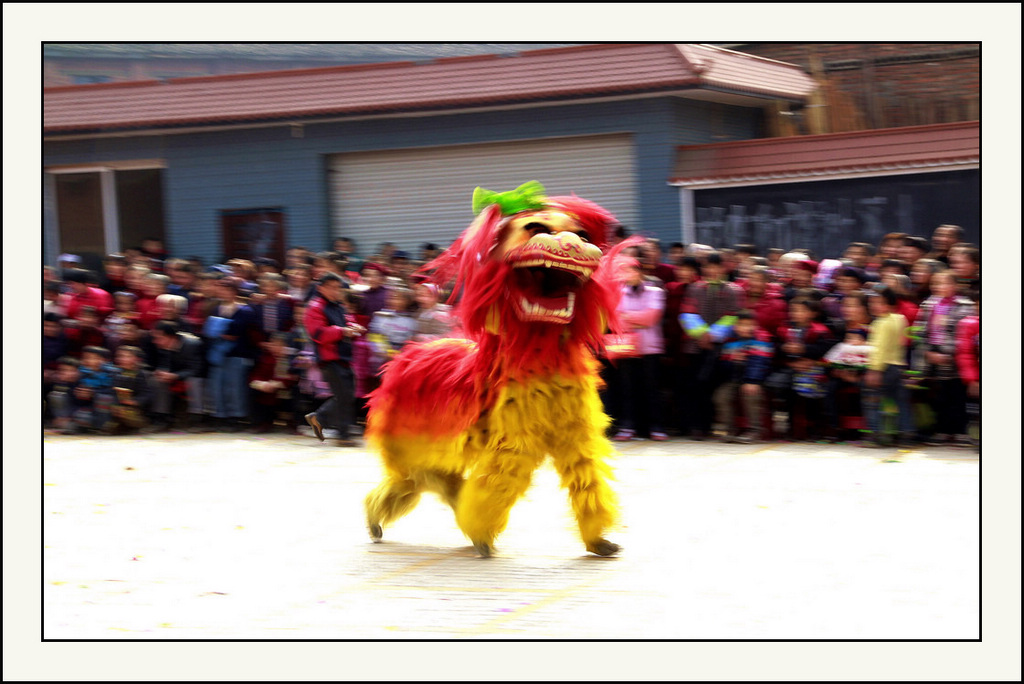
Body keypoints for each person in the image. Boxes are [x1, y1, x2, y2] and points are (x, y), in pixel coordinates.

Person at [679, 252, 743, 439]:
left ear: (724, 269)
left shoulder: (734, 290)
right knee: (695, 387)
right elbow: (686, 313)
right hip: (695, 346)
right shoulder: (695, 288)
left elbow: (733, 316)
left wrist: (713, 335)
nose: (712, 271)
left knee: (712, 388)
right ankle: (697, 427)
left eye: (716, 267)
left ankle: (710, 425)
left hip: (722, 349)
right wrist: (701, 334)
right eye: (708, 267)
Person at [911, 269, 974, 446]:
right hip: (932, 359)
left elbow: (964, 335)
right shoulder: (929, 305)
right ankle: (942, 430)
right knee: (939, 397)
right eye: (936, 283)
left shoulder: (964, 306)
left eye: (944, 283)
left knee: (957, 396)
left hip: (955, 360)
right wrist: (927, 352)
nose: (939, 287)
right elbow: (920, 332)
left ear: (955, 285)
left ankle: (960, 431)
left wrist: (947, 354)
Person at [303, 272, 365, 447]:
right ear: (320, 288)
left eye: (338, 287)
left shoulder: (338, 306)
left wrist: (353, 327)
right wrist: (342, 331)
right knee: (344, 396)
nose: (335, 291)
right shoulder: (315, 307)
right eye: (331, 287)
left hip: (343, 357)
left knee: (347, 396)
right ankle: (342, 435)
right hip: (329, 358)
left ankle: (320, 418)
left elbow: (347, 321)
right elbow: (318, 333)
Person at [612, 258, 667, 441]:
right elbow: (615, 318)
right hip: (626, 348)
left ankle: (656, 426)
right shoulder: (618, 293)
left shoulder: (655, 291)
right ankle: (627, 426)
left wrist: (629, 318)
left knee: (651, 388)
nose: (624, 275)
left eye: (628, 271)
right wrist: (637, 319)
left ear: (638, 271)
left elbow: (652, 317)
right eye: (621, 271)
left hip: (649, 348)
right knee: (627, 389)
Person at [862, 287, 914, 447]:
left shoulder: (880, 323)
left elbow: (879, 348)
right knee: (901, 402)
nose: (874, 306)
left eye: (879, 302)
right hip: (898, 366)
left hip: (883, 368)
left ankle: (877, 434)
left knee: (872, 400)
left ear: (890, 304)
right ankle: (907, 433)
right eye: (872, 302)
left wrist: (874, 370)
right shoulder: (900, 319)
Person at [711, 311, 773, 443]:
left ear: (755, 326)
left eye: (749, 325)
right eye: (742, 325)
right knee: (721, 396)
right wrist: (732, 361)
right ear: (735, 326)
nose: (746, 328)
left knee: (751, 394)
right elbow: (722, 366)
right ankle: (730, 429)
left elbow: (760, 362)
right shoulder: (730, 340)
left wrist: (752, 381)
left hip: (756, 380)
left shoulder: (761, 339)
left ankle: (755, 430)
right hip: (734, 379)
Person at [149, 320, 206, 432]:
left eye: (159, 338)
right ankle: (162, 418)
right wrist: (161, 372)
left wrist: (175, 375)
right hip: (177, 377)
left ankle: (198, 419)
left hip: (197, 377)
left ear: (171, 337)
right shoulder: (163, 347)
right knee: (157, 380)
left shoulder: (193, 345)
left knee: (194, 382)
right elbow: (165, 365)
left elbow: (197, 369)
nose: (155, 341)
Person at [107, 345, 153, 434]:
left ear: (136, 359)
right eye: (120, 356)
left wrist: (135, 401)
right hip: (119, 407)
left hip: (137, 410)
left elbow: (147, 393)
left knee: (128, 414)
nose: (122, 359)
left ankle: (137, 425)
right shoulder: (116, 373)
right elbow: (113, 391)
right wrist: (115, 405)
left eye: (127, 356)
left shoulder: (140, 374)